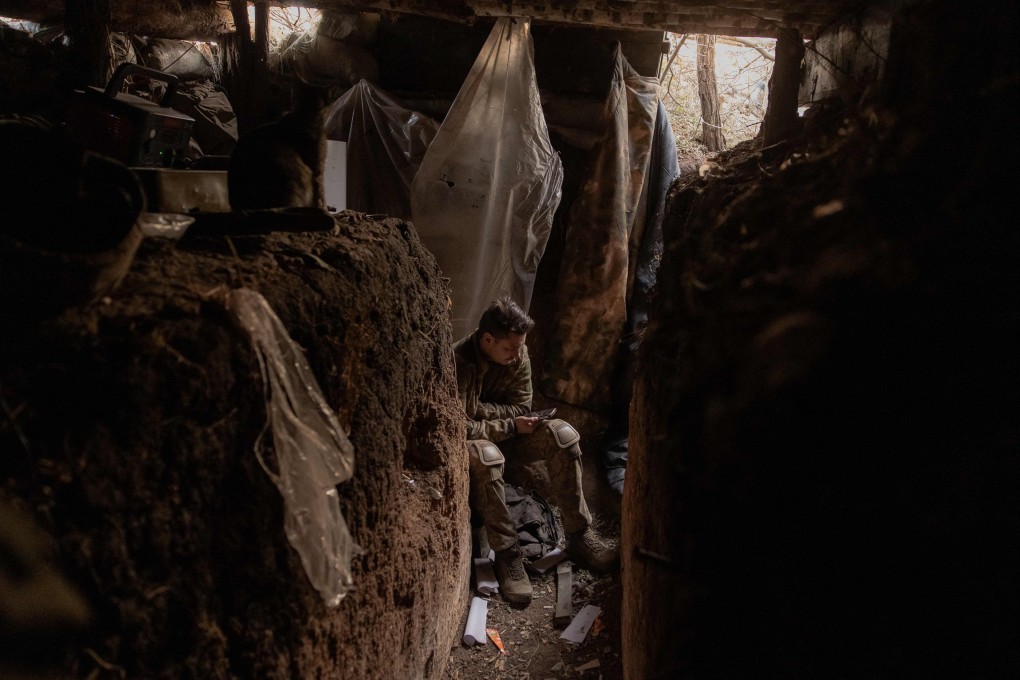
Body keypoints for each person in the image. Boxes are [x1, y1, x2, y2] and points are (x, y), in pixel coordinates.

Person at [454, 296, 618, 606]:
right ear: (487, 339)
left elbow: (520, 407)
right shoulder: (460, 361)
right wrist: (508, 424)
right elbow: (461, 425)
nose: (517, 356)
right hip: (476, 444)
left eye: (520, 348)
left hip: (511, 434)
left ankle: (579, 535)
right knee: (488, 455)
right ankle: (507, 554)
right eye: (510, 349)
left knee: (563, 435)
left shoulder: (519, 353)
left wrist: (486, 413)